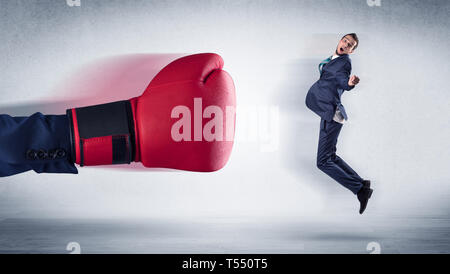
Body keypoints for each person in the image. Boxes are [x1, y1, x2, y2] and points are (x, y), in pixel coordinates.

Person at [305, 33, 373, 214]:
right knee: (330, 157)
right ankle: (362, 183)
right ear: (340, 41)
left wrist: (350, 83)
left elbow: (344, 79)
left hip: (331, 114)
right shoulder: (333, 59)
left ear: (351, 50)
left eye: (350, 45)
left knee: (323, 162)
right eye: (345, 40)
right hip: (327, 112)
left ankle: (360, 189)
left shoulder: (344, 63)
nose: (346, 44)